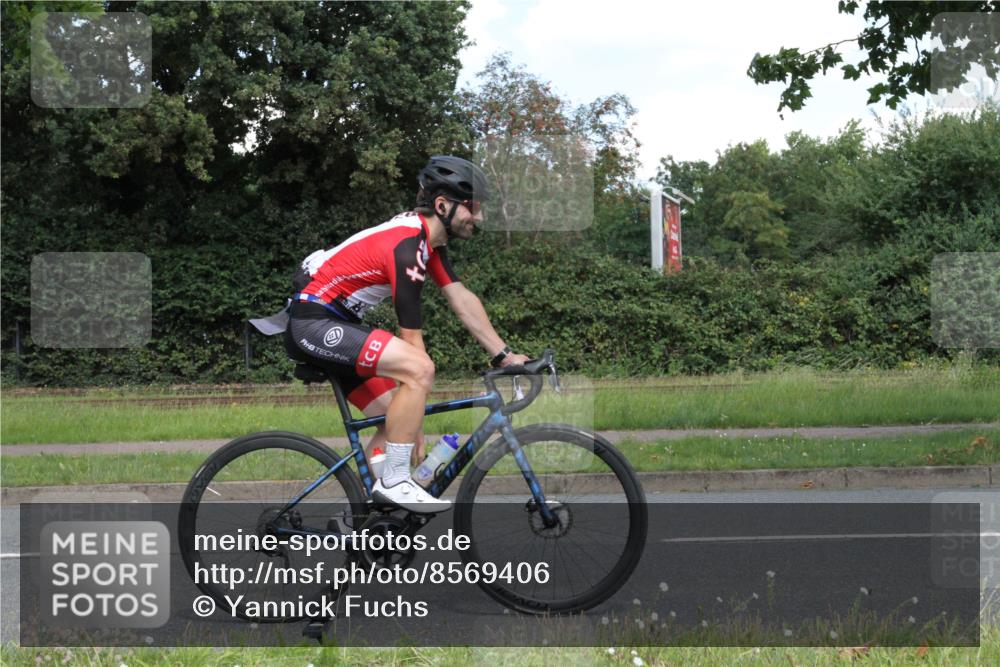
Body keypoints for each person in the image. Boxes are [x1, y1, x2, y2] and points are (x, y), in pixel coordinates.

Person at [283, 156, 530, 513]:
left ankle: (364, 522)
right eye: (472, 208)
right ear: (443, 205)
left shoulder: (427, 242)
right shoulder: (407, 246)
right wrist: (412, 413)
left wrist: (504, 354)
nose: (478, 218)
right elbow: (412, 341)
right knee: (420, 368)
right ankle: (394, 479)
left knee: (392, 417)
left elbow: (460, 298)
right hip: (314, 323)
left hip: (336, 323)